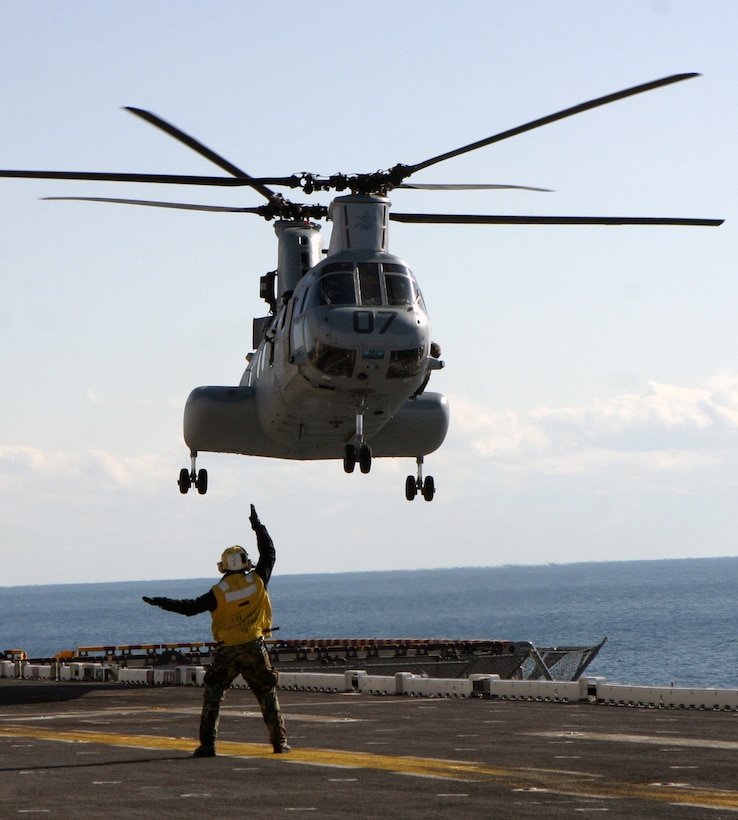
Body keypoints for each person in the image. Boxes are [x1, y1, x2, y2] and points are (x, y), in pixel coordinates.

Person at [142, 504, 289, 757]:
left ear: (223, 567)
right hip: (254, 646)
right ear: (245, 563)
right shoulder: (258, 580)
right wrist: (258, 527)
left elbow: (189, 608)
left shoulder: (217, 593)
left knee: (213, 694)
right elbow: (269, 553)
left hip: (228, 651)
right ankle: (279, 743)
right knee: (266, 693)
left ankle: (208, 744)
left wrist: (162, 602)